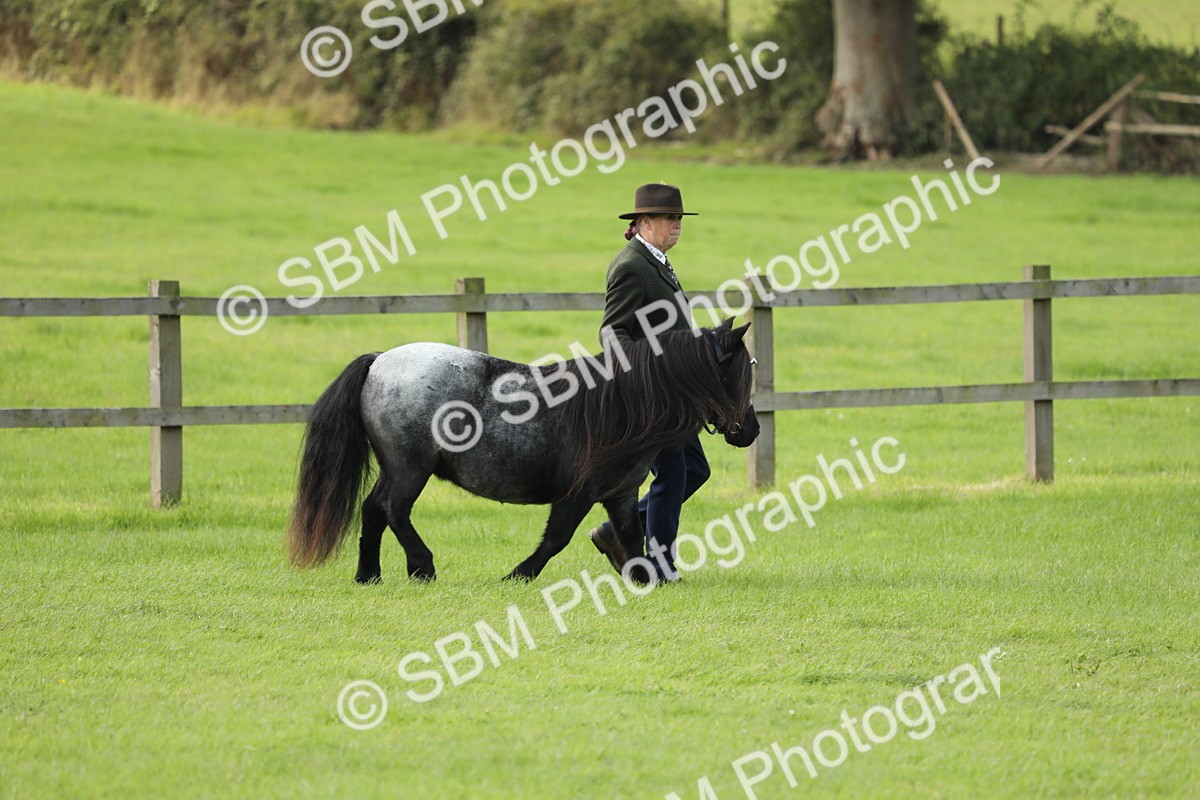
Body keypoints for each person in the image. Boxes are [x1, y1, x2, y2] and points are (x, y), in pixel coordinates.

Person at [588, 182, 710, 582]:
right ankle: (658, 564)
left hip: (675, 396)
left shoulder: (656, 260)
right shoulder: (631, 265)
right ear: (644, 221)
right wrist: (641, 378)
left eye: (679, 218)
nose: (677, 224)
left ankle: (614, 532)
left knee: (694, 470)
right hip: (650, 397)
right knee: (672, 474)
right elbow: (612, 333)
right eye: (669, 218)